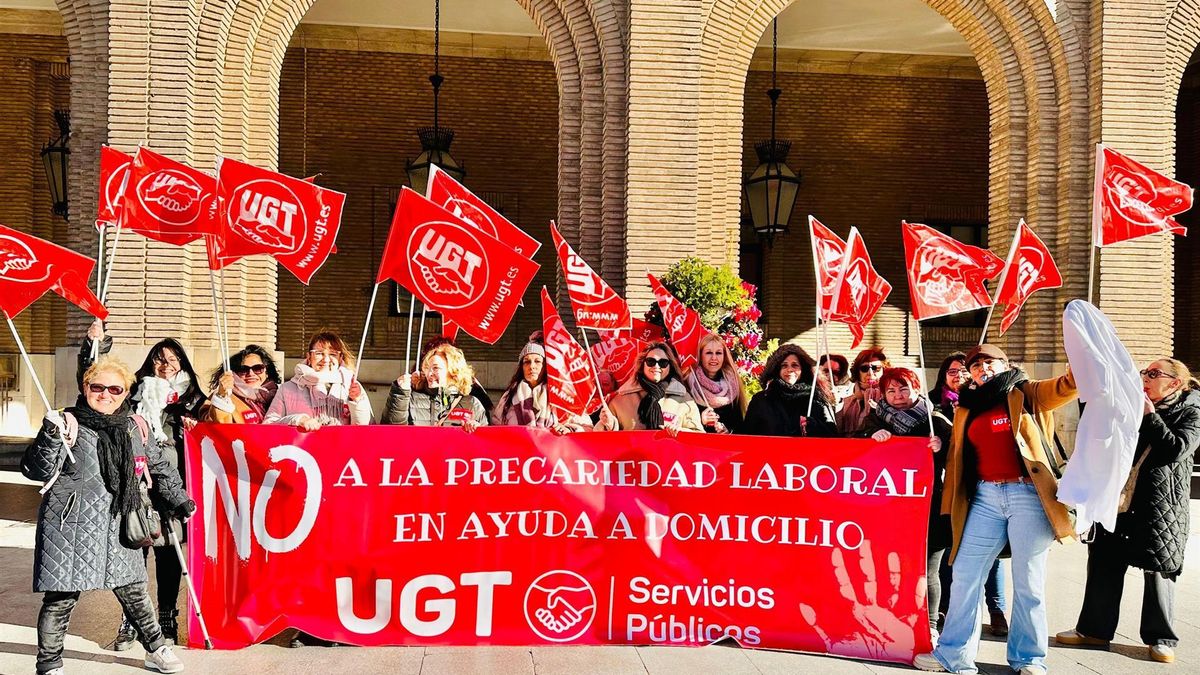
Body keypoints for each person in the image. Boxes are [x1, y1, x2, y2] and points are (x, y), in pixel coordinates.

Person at [914, 344, 1077, 675]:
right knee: (964, 574)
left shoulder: (1025, 392)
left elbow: (1065, 387)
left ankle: (1028, 659)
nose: (982, 369)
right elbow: (959, 456)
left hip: (1028, 495)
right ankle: (954, 655)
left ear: (1006, 364)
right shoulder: (967, 406)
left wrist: (1079, 356)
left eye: (989, 363)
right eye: (975, 366)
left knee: (1028, 580)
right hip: (985, 497)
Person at [22, 356, 192, 674]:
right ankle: (49, 663)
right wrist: (48, 434)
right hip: (70, 525)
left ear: (125, 392)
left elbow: (160, 467)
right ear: (86, 387)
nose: (106, 394)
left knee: (134, 592)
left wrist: (181, 501)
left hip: (120, 522)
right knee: (60, 598)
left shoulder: (135, 427)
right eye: (98, 386)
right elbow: (36, 469)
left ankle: (155, 649)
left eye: (115, 388)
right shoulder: (67, 423)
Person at [1056, 358, 1200, 664]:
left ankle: (1161, 638)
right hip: (1118, 501)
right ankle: (1093, 630)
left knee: (1159, 569)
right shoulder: (1131, 404)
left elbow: (1176, 449)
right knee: (1103, 563)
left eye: (1153, 374)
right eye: (1144, 372)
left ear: (1175, 382)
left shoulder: (1191, 410)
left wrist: (1149, 416)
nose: (1145, 378)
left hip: (1160, 506)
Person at [858, 367, 951, 637]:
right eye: (891, 390)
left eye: (903, 389)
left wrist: (941, 447)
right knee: (889, 568)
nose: (898, 396)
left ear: (916, 390)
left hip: (929, 510)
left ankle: (930, 626)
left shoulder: (937, 422)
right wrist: (871, 438)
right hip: (888, 511)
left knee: (927, 569)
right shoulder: (876, 420)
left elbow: (959, 458)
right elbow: (855, 450)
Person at [931, 350, 1008, 637]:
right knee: (955, 552)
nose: (959, 375)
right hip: (954, 487)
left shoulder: (983, 399)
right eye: (952, 371)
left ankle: (997, 608)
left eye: (964, 370)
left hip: (985, 483)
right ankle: (948, 609)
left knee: (995, 552)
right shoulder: (934, 404)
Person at [265, 330, 372, 429]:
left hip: (342, 448)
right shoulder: (287, 389)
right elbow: (269, 424)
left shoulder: (352, 385)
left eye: (333, 354)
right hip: (303, 448)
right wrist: (298, 420)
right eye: (319, 353)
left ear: (340, 358)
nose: (326, 359)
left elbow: (365, 428)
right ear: (309, 357)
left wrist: (357, 402)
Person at [596, 342, 703, 434]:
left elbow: (700, 437)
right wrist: (609, 425)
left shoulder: (683, 398)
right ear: (643, 364)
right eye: (651, 361)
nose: (656, 366)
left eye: (663, 363)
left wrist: (680, 431)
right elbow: (601, 442)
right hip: (633, 457)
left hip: (671, 456)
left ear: (670, 366)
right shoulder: (620, 400)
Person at [381, 342, 488, 430]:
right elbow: (391, 432)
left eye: (436, 368)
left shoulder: (472, 403)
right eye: (427, 368)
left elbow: (486, 446)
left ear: (453, 371)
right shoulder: (412, 398)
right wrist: (400, 393)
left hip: (454, 457)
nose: (429, 373)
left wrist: (477, 429)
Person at [741, 344, 837, 438]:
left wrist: (814, 427)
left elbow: (833, 435)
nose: (789, 369)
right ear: (777, 369)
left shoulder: (816, 398)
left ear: (803, 369)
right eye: (784, 365)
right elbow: (747, 436)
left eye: (795, 365)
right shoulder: (761, 400)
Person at [200, 345, 282, 424]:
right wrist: (222, 396)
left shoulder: (280, 395)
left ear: (267, 372)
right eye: (243, 370)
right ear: (235, 374)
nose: (251, 373)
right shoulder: (224, 396)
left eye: (257, 368)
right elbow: (212, 422)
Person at [684, 333, 748, 434]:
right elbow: (680, 423)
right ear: (700, 356)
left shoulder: (733, 384)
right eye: (708, 353)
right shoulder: (688, 383)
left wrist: (728, 432)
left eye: (718, 353)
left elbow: (740, 426)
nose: (714, 358)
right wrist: (700, 420)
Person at [836, 347, 889, 435]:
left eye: (876, 368)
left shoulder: (892, 398)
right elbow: (836, 431)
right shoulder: (846, 401)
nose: (870, 373)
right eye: (864, 368)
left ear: (884, 371)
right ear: (857, 372)